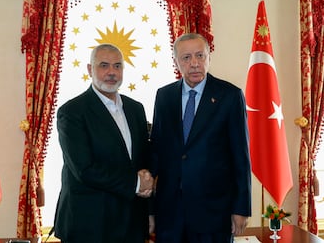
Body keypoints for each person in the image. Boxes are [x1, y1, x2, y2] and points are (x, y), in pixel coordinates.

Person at [150, 33, 252, 243]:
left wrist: (241, 208)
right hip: (170, 212)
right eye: (186, 58)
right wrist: (149, 208)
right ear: (176, 61)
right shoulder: (164, 96)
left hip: (214, 213)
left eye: (200, 56)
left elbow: (241, 156)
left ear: (209, 57)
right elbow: (156, 152)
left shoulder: (230, 96)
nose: (194, 63)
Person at [54, 44, 153, 243]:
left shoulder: (135, 108)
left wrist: (149, 205)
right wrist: (135, 183)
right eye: (104, 65)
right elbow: (84, 169)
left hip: (131, 222)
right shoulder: (72, 112)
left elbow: (143, 161)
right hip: (89, 225)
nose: (111, 72)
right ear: (90, 69)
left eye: (117, 66)